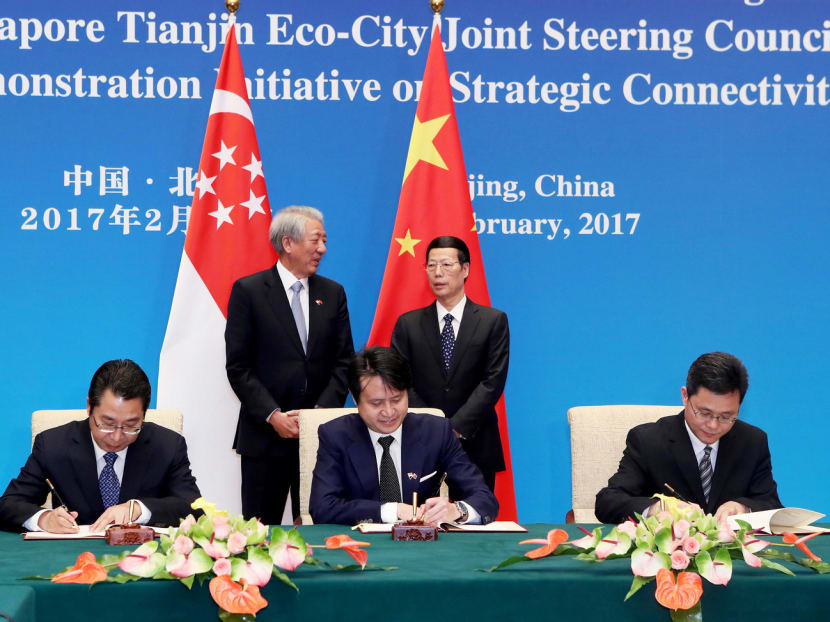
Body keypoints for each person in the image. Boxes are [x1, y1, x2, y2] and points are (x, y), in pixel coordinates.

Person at [225, 205, 354, 524]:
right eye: (316, 240)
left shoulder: (333, 293)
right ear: (287, 243)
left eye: (324, 240)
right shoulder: (249, 291)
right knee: (258, 535)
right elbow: (238, 366)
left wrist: (321, 413)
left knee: (317, 531)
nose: (322, 249)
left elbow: (344, 362)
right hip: (265, 436)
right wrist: (273, 415)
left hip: (321, 437)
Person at [0, 359, 200, 533]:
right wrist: (44, 519)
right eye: (107, 423)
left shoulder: (167, 445)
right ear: (89, 407)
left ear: (144, 414)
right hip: (72, 557)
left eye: (131, 426)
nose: (116, 437)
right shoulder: (53, 445)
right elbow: (8, 505)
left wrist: (139, 509)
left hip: (140, 557)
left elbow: (194, 507)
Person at [310, 346, 498, 526]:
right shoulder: (335, 435)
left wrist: (458, 511)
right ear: (354, 397)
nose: (389, 412)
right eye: (376, 403)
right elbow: (322, 508)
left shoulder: (436, 431)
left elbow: (484, 497)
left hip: (421, 547)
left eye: (397, 399)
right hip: (362, 545)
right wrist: (392, 511)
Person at [595, 352, 782, 526]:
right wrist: (656, 509)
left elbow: (771, 504)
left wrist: (743, 508)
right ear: (685, 396)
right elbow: (608, 501)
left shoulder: (752, 442)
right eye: (704, 412)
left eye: (726, 416)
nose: (713, 425)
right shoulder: (648, 440)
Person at [391, 236, 509, 493]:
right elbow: (400, 381)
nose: (438, 273)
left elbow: (493, 381)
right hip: (420, 440)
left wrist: (456, 427)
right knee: (419, 523)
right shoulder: (408, 324)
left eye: (446, 264)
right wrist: (434, 423)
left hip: (476, 441)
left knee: (476, 521)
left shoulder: (493, 321)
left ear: (465, 269)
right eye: (431, 265)